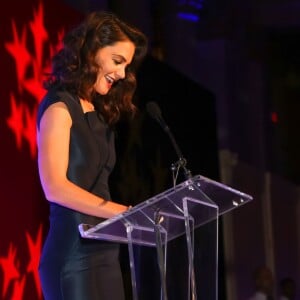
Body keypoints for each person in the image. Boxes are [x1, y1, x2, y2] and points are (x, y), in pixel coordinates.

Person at [36, 11, 148, 300]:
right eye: (117, 61)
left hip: (106, 255)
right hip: (73, 258)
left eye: (126, 65)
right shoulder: (59, 109)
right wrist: (123, 212)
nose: (122, 74)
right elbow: (54, 187)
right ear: (92, 52)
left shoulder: (99, 116)